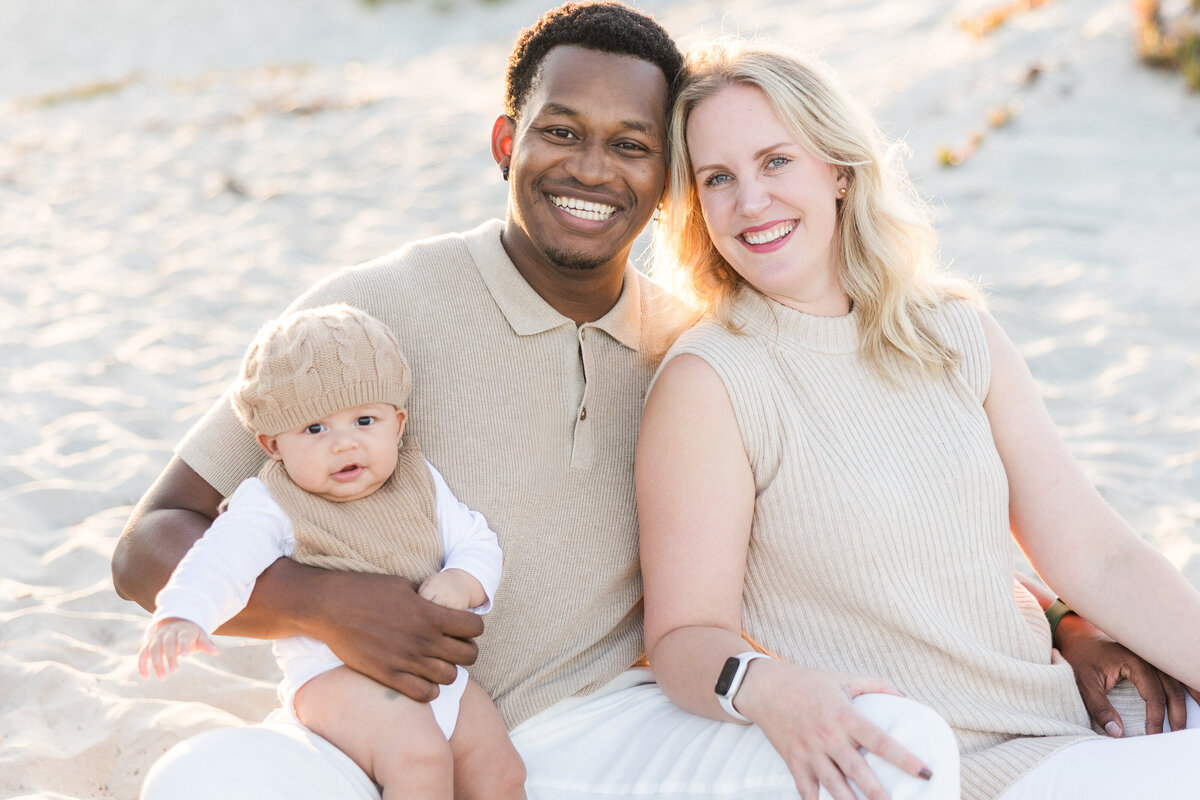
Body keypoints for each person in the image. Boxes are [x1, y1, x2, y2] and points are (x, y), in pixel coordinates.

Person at [112, 3, 1192, 798]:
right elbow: (150, 541)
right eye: (559, 130)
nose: (593, 166)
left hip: (612, 728)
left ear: (660, 178)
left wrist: (1062, 614)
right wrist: (326, 602)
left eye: (632, 144)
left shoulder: (681, 342)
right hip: (388, 719)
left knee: (883, 749)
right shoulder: (372, 311)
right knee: (209, 778)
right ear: (506, 142)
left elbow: (879, 508)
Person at [637, 37, 1200, 800]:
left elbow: (1098, 556)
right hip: (928, 761)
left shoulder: (954, 331)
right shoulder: (711, 381)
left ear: (837, 170)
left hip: (1070, 715)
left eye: (777, 161)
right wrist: (772, 689)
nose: (751, 201)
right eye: (718, 178)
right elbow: (682, 637)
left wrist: (1074, 624)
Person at [136, 304, 518, 800]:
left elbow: (477, 541)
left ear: (397, 424)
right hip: (333, 678)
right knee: (418, 757)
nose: (343, 444)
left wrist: (463, 580)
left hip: (433, 672)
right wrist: (184, 613)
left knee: (501, 771)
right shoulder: (271, 501)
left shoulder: (419, 480)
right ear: (273, 445)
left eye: (364, 420)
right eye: (314, 430)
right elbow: (221, 558)